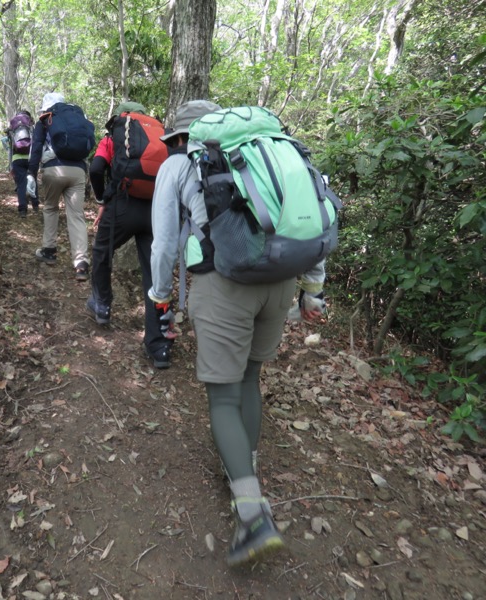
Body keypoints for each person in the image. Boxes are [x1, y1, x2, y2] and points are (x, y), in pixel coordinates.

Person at [148, 100, 326, 566]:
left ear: (180, 135)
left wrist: (160, 295)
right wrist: (313, 290)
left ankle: (252, 515)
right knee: (249, 378)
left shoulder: (179, 164)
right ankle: (244, 464)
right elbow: (310, 217)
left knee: (223, 395)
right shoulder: (269, 154)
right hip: (280, 281)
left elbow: (165, 239)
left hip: (224, 284)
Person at [86, 101, 173, 369]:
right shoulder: (158, 134)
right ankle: (158, 345)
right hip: (155, 210)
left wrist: (103, 198)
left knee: (102, 251)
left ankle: (102, 305)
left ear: (121, 114)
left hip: (122, 206)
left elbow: (96, 168)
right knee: (153, 272)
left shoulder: (116, 134)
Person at [27, 92, 91, 281]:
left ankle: (49, 250)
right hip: (78, 171)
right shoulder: (78, 117)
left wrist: (31, 173)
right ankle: (81, 264)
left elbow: (37, 146)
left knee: (50, 208)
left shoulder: (45, 119)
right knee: (77, 216)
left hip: (53, 170)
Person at [6, 110, 39, 218]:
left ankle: (23, 210)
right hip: (30, 158)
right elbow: (36, 143)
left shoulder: (13, 128)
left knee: (21, 184)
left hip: (17, 159)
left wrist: (10, 165)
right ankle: (35, 204)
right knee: (32, 179)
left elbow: (10, 148)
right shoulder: (31, 126)